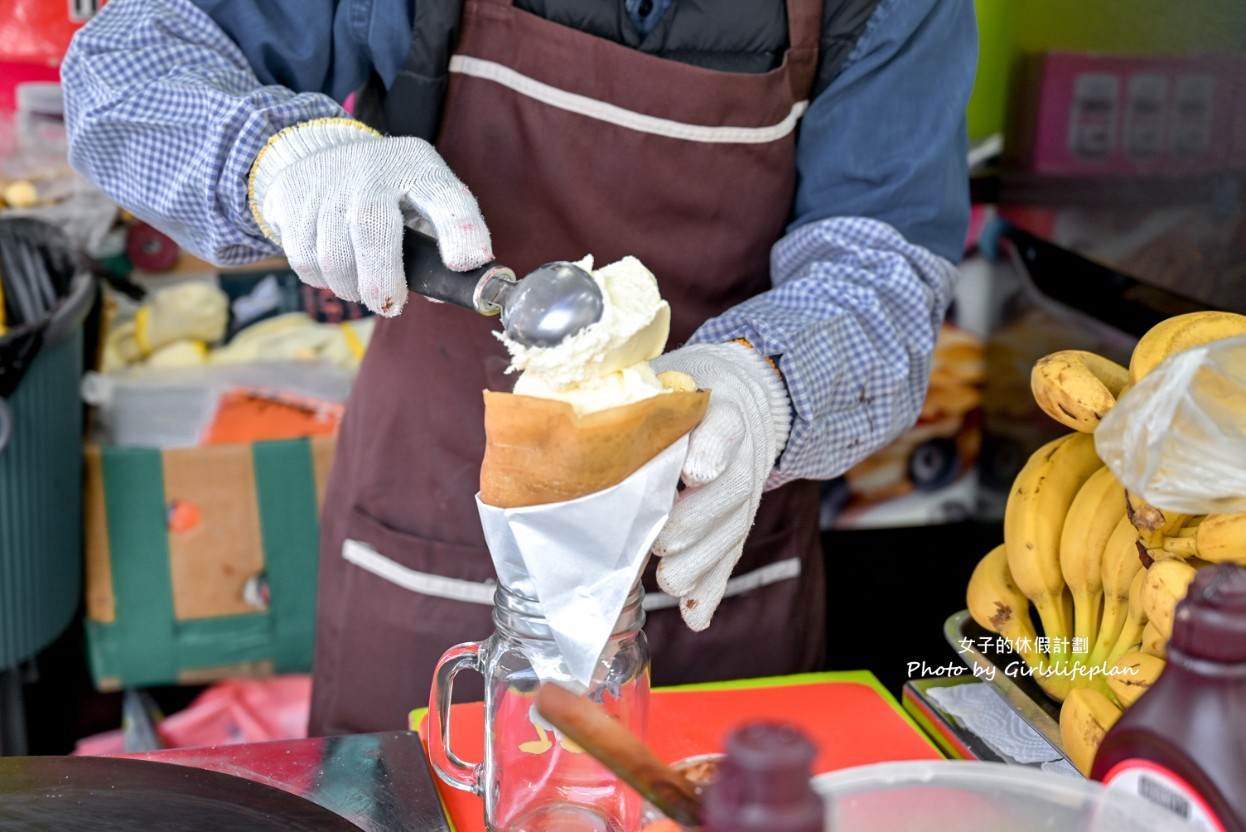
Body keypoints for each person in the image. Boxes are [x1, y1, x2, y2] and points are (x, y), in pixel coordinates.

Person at [61, 0, 977, 736]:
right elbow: (129, 59)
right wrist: (274, 155)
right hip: (427, 536)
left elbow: (880, 271)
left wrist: (767, 383)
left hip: (710, 561)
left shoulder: (891, 11)